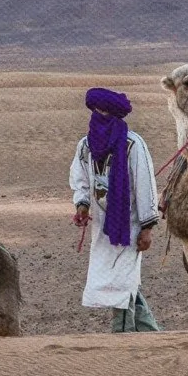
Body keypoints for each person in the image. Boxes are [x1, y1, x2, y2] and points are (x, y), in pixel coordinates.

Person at [69, 86, 161, 332]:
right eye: (96, 111)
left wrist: (147, 227)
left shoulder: (133, 144)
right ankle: (151, 333)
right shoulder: (86, 146)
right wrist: (82, 205)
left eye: (104, 112)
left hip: (128, 226)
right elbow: (81, 179)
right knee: (122, 282)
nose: (99, 116)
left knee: (122, 281)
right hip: (102, 226)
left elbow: (144, 186)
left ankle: (121, 335)